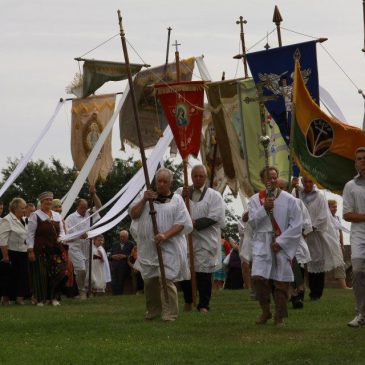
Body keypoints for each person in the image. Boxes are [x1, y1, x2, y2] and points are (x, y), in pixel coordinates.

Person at [129, 168, 193, 322]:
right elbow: (133, 214)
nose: (161, 184)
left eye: (165, 181)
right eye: (159, 181)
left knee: (167, 279)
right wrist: (144, 200)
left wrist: (165, 235)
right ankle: (153, 311)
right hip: (148, 247)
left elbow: (181, 223)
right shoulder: (146, 197)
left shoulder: (177, 200)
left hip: (169, 246)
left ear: (170, 183)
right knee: (150, 281)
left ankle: (169, 314)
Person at [248, 167, 302, 326]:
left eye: (274, 178)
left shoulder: (289, 200)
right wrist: (263, 209)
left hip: (281, 243)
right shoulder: (255, 200)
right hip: (262, 244)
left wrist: (281, 242)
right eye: (268, 178)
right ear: (262, 180)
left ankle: (280, 316)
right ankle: (265, 311)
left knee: (281, 281)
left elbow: (296, 225)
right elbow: (251, 223)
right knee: (259, 279)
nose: (272, 181)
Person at [177, 164, 225, 313]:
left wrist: (194, 224)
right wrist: (181, 198)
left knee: (203, 273)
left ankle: (204, 304)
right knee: (186, 271)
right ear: (191, 177)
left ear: (205, 177)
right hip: (185, 239)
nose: (198, 179)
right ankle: (188, 300)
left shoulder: (214, 196)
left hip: (205, 240)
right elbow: (172, 209)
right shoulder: (180, 192)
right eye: (195, 176)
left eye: (201, 176)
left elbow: (216, 216)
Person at [299, 176, 344, 301]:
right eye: (305, 181)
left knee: (316, 262)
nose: (307, 184)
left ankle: (316, 293)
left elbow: (323, 216)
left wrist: (309, 228)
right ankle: (298, 293)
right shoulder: (298, 193)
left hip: (315, 233)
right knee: (300, 262)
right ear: (302, 182)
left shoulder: (319, 196)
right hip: (299, 233)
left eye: (310, 182)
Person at [26, 191, 67, 306]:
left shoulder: (57, 215)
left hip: (55, 249)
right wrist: (30, 250)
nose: (48, 202)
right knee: (41, 275)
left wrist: (61, 238)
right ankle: (40, 300)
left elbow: (62, 231)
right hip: (40, 249)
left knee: (59, 272)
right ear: (41, 202)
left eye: (50, 200)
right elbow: (30, 234)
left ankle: (53, 297)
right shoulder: (35, 215)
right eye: (46, 200)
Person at [65, 185, 101, 299]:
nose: (84, 210)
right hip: (75, 246)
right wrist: (80, 235)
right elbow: (67, 235)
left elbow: (99, 207)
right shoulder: (70, 218)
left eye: (86, 207)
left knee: (87, 270)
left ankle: (87, 290)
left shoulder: (89, 214)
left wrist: (94, 194)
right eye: (82, 208)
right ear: (77, 207)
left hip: (87, 245)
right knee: (81, 269)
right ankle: (81, 292)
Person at [343, 147, 365, 327]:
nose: (362, 161)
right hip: (358, 236)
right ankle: (361, 314)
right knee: (357, 271)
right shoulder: (350, 186)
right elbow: (347, 215)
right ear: (355, 163)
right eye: (359, 159)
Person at [0, 198, 29, 305]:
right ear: (15, 208)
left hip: (23, 252)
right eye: (22, 208)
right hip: (11, 252)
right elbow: (2, 239)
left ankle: (19, 298)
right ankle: (6, 299)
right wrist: (5, 255)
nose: (25, 210)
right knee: (8, 276)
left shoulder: (25, 219)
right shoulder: (7, 220)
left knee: (22, 276)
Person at [328, 199, 349, 289]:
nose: (335, 208)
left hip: (337, 244)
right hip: (328, 243)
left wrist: (342, 244)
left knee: (340, 263)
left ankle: (343, 286)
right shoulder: (326, 217)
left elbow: (340, 232)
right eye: (333, 207)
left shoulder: (337, 218)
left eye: (336, 207)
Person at [110, 230, 134, 295]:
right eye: (121, 237)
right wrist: (113, 256)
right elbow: (110, 255)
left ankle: (119, 295)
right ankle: (114, 295)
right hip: (114, 266)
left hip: (124, 266)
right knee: (114, 281)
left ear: (127, 237)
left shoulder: (131, 244)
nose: (122, 238)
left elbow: (133, 255)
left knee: (121, 281)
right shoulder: (115, 244)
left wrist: (125, 256)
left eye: (124, 237)